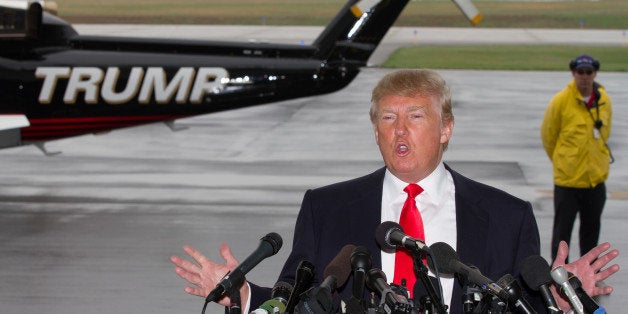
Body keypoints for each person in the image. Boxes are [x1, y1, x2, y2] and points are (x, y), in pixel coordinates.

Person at [171, 69, 619, 313]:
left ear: (446, 128)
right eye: (388, 118)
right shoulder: (325, 208)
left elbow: (523, 304)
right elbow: (296, 296)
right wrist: (246, 296)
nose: (399, 130)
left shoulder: (507, 215)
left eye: (416, 117)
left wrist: (560, 300)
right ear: (375, 130)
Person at [541, 54, 613, 261]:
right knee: (562, 234)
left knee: (591, 233)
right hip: (568, 181)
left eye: (588, 72)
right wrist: (563, 161)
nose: (584, 76)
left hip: (595, 180)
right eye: (580, 72)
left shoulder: (604, 100)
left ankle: (588, 273)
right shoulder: (561, 101)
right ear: (573, 73)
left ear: (594, 73)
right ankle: (559, 273)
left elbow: (604, 134)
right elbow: (548, 136)